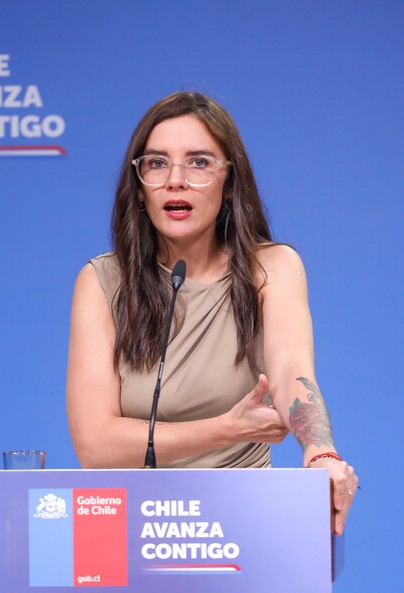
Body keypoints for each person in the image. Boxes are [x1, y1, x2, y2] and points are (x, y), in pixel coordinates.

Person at [66, 91, 357, 534]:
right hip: (131, 527)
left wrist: (321, 452)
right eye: (157, 163)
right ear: (139, 187)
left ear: (230, 182)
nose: (176, 180)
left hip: (240, 523)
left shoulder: (271, 267)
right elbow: (95, 445)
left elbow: (291, 373)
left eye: (199, 162)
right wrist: (227, 428)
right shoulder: (102, 280)